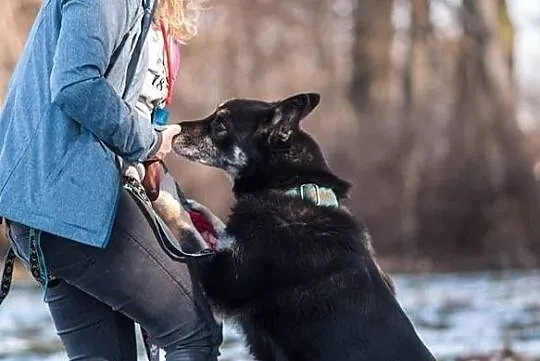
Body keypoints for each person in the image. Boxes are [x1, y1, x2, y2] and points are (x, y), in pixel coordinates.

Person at [0, 0, 222, 360]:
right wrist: (146, 142)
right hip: (73, 207)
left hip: (46, 215)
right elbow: (77, 85)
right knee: (193, 330)